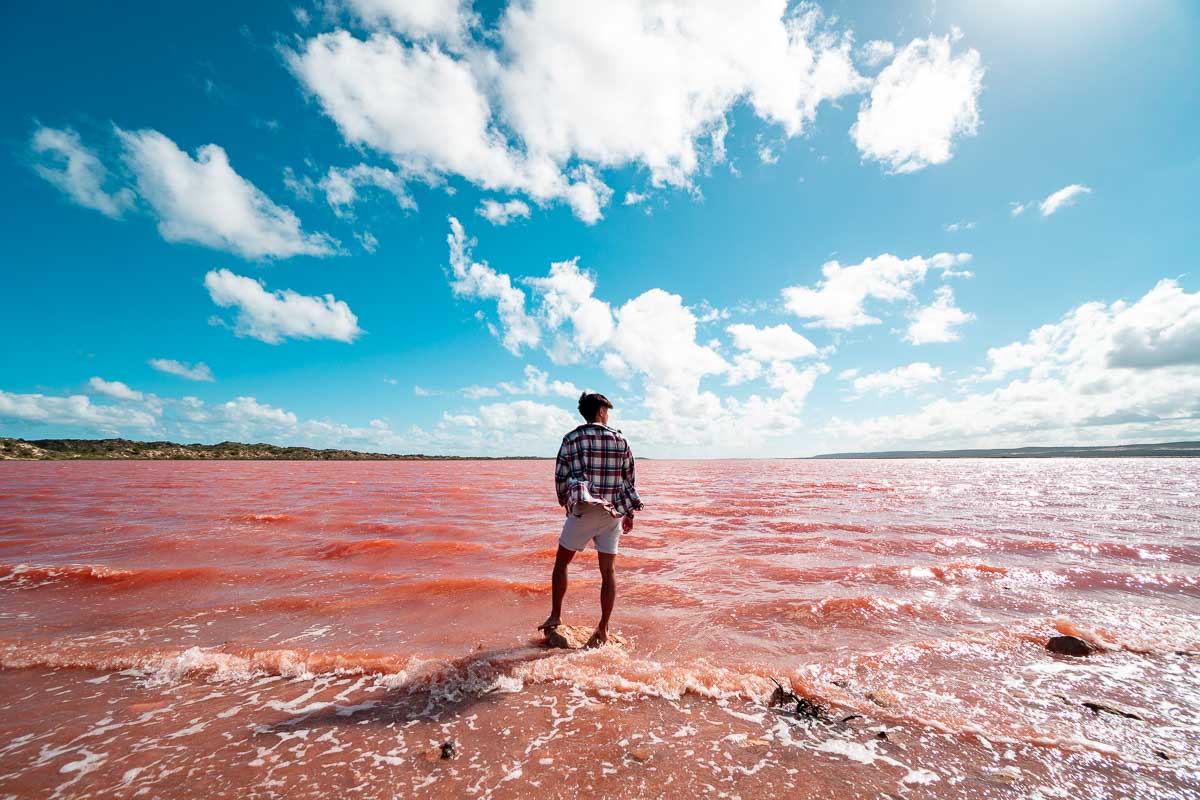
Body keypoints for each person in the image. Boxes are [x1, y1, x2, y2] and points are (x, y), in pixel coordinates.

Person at [539, 391, 643, 648]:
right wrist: (628, 512)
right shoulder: (620, 440)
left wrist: (567, 503)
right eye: (606, 411)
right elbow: (628, 479)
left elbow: (561, 476)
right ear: (600, 412)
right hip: (612, 513)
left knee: (561, 563)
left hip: (584, 509)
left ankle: (555, 616)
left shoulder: (572, 438)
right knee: (608, 572)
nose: (607, 416)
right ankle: (603, 629)